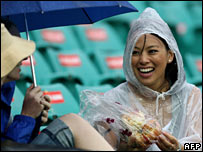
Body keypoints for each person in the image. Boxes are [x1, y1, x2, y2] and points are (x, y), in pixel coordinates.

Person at [80, 7, 202, 151]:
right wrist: (128, 148)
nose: (143, 60)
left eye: (152, 51)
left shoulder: (190, 96)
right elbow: (99, 147)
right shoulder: (115, 100)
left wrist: (180, 147)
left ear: (170, 55)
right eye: (135, 52)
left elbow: (198, 145)